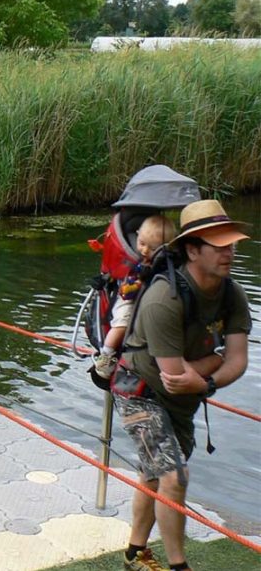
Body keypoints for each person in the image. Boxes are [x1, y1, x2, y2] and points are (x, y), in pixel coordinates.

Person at [111, 200, 251, 571]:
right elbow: (175, 379)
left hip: (185, 398)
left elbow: (238, 361)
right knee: (174, 476)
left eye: (231, 244)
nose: (229, 252)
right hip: (139, 390)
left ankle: (135, 554)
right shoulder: (163, 298)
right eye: (218, 245)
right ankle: (178, 566)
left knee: (155, 474)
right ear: (192, 249)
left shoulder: (232, 294)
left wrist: (204, 378)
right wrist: (215, 363)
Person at [93, 214, 177, 378]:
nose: (145, 250)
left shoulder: (167, 264)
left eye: (152, 248)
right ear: (137, 236)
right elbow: (125, 291)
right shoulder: (136, 263)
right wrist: (139, 282)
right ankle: (107, 354)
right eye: (142, 244)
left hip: (152, 300)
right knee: (122, 322)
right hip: (130, 299)